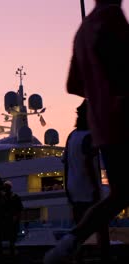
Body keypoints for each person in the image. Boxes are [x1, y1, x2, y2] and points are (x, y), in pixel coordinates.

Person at [44, 1, 129, 263]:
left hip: (102, 125)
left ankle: (70, 241)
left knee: (120, 195)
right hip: (124, 118)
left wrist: (99, 93)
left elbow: (72, 85)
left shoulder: (83, 30)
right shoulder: (111, 17)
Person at [60, 100, 110, 263]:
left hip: (74, 189)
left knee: (79, 228)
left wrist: (67, 187)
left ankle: (77, 257)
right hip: (88, 189)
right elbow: (89, 163)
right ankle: (104, 256)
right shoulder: (89, 137)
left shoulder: (71, 136)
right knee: (101, 226)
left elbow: (66, 164)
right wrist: (96, 188)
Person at [1, 181, 23, 256]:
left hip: (12, 221)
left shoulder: (14, 197)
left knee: (12, 239)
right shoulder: (2, 197)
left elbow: (19, 209)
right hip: (6, 221)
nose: (6, 188)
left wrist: (16, 217)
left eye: (7, 187)